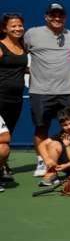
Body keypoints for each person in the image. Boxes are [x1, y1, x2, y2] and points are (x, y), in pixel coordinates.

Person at [25, 3, 70, 168]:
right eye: (53, 15)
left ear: (65, 17)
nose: (57, 18)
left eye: (60, 15)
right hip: (41, 91)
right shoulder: (32, 34)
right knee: (42, 128)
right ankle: (43, 161)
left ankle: (69, 160)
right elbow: (18, 53)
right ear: (46, 16)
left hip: (68, 90)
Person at [35, 107, 70, 186]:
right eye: (65, 125)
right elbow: (41, 145)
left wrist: (67, 165)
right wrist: (47, 160)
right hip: (69, 165)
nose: (69, 127)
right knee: (54, 144)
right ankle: (52, 174)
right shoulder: (62, 134)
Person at [0, 13, 26, 178]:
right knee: (3, 138)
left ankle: (2, 166)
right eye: (13, 26)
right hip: (0, 98)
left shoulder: (23, 46)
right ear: (4, 29)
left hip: (15, 100)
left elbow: (20, 69)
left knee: (7, 136)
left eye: (20, 25)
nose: (17, 28)